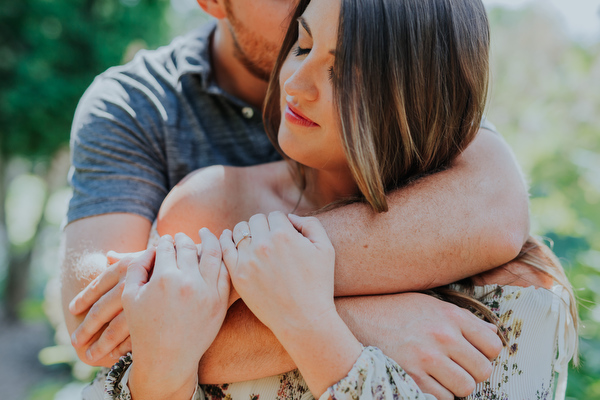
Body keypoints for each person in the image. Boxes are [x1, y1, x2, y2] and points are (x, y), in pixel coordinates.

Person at [75, 0, 578, 399]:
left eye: (341, 72)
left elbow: (497, 200)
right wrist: (357, 321)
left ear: (414, 97)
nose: (294, 82)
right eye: (302, 44)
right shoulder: (202, 202)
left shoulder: (509, 281)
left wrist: (310, 322)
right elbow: (117, 341)